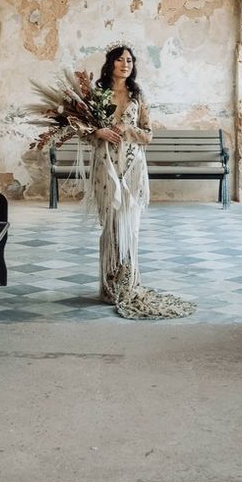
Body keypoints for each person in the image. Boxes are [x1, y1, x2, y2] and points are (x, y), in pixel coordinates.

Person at [87, 44, 195, 320]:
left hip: (132, 166)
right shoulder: (97, 94)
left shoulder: (137, 96)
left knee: (130, 225)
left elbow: (148, 135)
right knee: (109, 224)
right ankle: (109, 285)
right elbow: (84, 133)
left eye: (130, 61)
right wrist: (99, 131)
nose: (126, 64)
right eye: (121, 60)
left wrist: (127, 129)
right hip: (106, 166)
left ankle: (128, 282)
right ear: (110, 63)